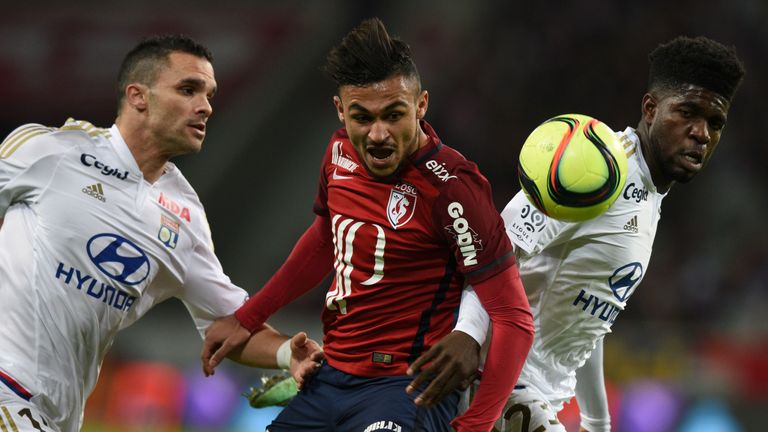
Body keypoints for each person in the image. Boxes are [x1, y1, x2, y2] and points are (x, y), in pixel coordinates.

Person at [201, 18, 535, 432]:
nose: (378, 134)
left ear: (421, 105)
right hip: (330, 380)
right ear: (340, 110)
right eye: (362, 117)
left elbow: (514, 317)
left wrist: (477, 424)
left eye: (394, 115)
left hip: (407, 388)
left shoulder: (454, 190)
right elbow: (326, 239)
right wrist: (249, 316)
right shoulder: (338, 152)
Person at [0, 34, 322, 432]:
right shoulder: (49, 152)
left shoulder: (184, 216)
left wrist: (288, 352)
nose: (205, 106)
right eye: (188, 89)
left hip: (58, 414)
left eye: (209, 94)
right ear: (138, 96)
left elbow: (226, 325)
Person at [449, 35, 745, 431]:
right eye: (688, 112)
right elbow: (494, 248)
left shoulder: (650, 196)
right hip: (495, 379)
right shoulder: (594, 165)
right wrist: (466, 334)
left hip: (543, 394)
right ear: (651, 109)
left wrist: (597, 422)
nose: (701, 133)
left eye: (715, 123)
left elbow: (589, 321)